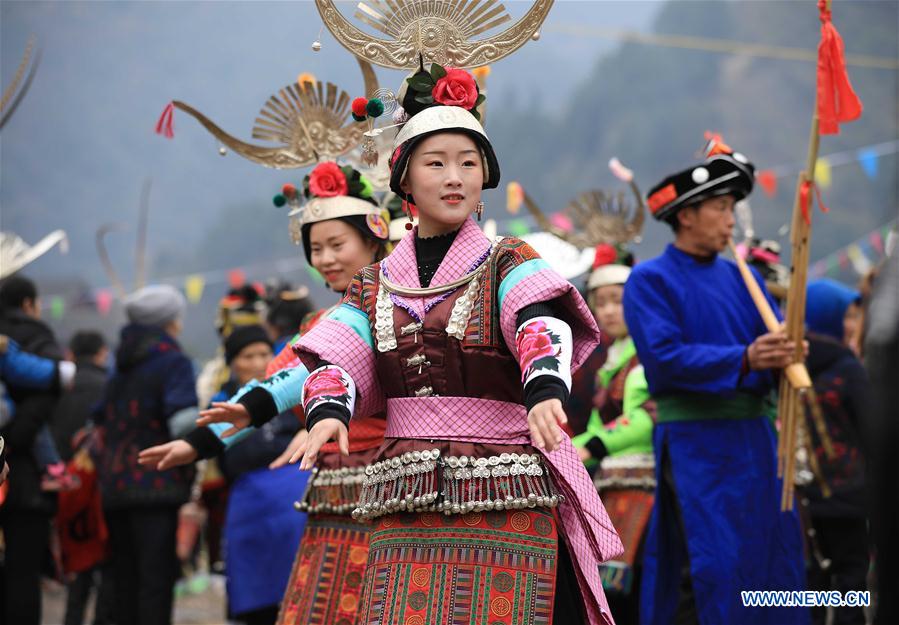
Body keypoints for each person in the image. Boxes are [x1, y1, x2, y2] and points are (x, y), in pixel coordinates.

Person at [226, 64, 622, 624]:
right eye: (436, 163)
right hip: (404, 489)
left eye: (468, 163)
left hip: (503, 482)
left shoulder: (506, 259)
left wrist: (544, 386)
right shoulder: (376, 281)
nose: (455, 177)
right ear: (406, 180)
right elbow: (338, 354)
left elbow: (538, 320)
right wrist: (328, 410)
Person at [140, 163, 391, 625]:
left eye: (338, 245)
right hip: (335, 490)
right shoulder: (321, 326)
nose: (326, 259)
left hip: (395, 482)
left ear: (375, 238)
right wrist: (200, 444)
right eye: (316, 248)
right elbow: (271, 388)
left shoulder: (401, 305)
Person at [623, 139, 806, 624]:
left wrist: (785, 355)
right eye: (721, 208)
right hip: (696, 447)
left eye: (732, 208)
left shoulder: (743, 280)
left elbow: (767, 352)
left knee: (774, 558)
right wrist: (746, 358)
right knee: (712, 564)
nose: (731, 220)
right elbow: (664, 358)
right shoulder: (650, 280)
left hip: (756, 444)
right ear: (687, 215)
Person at [94, 284, 198, 625]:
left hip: (115, 485)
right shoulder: (173, 362)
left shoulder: (119, 364)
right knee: (155, 580)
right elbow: (182, 421)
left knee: (125, 579)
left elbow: (97, 418)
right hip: (158, 482)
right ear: (172, 321)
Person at [573, 244, 655, 624]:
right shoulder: (610, 357)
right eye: (600, 302)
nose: (608, 311)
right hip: (609, 484)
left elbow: (647, 414)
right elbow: (594, 423)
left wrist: (591, 444)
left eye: (618, 301)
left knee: (631, 587)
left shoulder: (649, 352)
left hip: (645, 483)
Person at [801, 281, 870, 625]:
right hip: (847, 494)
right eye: (847, 315)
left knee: (810, 585)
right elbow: (870, 426)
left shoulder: (787, 364)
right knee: (852, 580)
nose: (852, 325)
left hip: (800, 497)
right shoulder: (847, 367)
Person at [0, 275, 68, 625]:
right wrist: (16, 437)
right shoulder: (38, 338)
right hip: (26, 476)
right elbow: (48, 392)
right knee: (23, 573)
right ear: (29, 303)